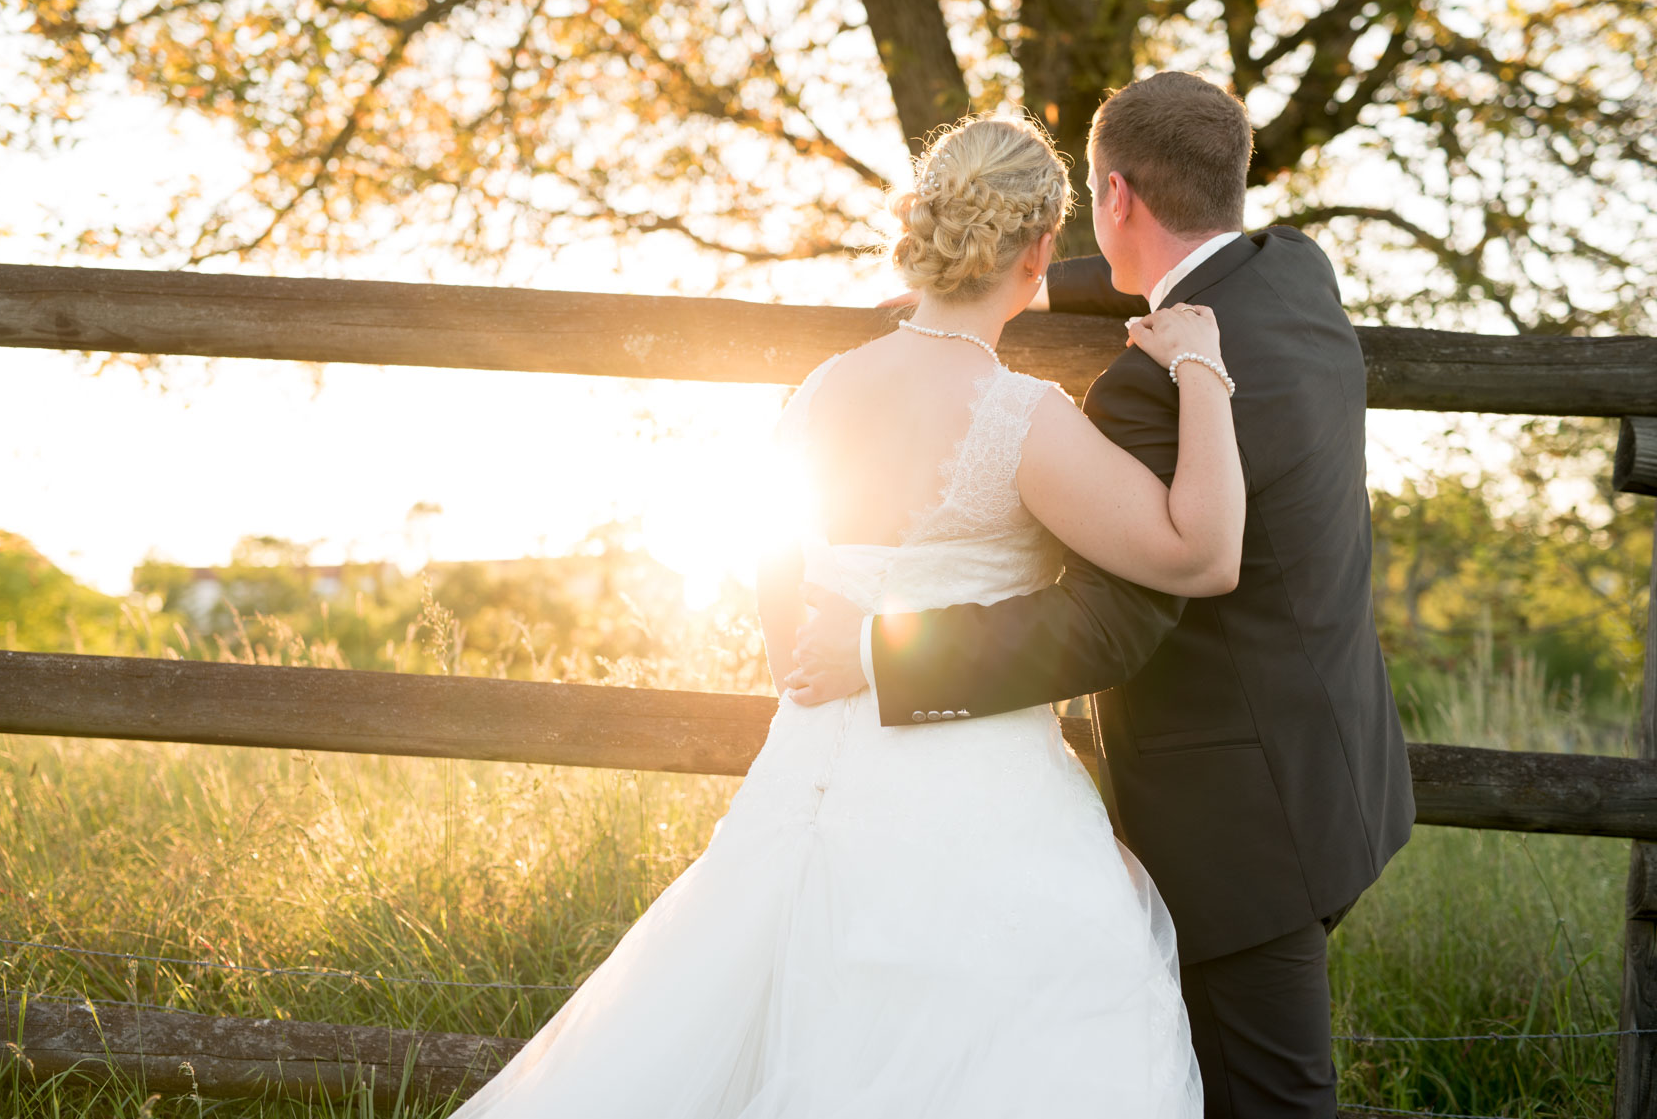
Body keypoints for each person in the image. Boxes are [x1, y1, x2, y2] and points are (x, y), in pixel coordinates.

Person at [444, 112, 1245, 1118]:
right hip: (980, 786)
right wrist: (1202, 367)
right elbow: (1204, 553)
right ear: (1040, 250)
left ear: (927, 228)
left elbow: (779, 594)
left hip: (808, 767)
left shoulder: (819, 392)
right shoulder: (1021, 418)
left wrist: (835, 672)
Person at [788, 72, 1416, 1119]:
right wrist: (994, 277)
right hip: (1340, 772)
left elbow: (1110, 620)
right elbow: (1152, 269)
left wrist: (877, 650)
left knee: (1265, 1100)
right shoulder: (1299, 280)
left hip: (1239, 834)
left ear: (1117, 196)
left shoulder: (1147, 392)